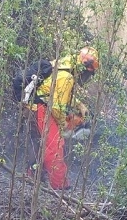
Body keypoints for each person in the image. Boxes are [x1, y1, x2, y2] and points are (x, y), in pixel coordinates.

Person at [26, 47, 98, 190]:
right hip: (41, 108)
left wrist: (79, 105)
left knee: (43, 145)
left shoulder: (64, 65)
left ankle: (31, 176)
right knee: (54, 146)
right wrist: (64, 124)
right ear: (84, 67)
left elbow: (59, 93)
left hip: (40, 106)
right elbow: (57, 107)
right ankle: (59, 186)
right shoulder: (67, 76)